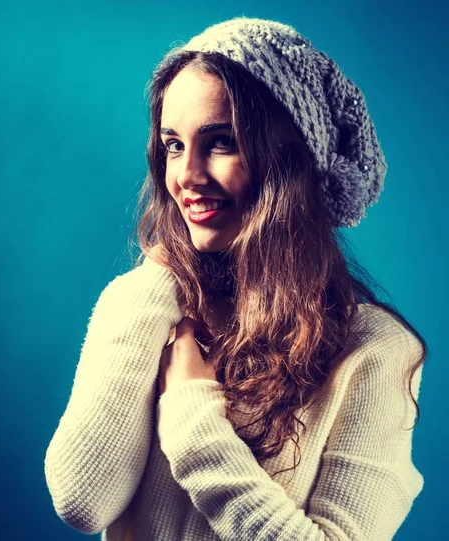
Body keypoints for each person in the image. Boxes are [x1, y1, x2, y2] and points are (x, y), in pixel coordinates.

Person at [44, 17, 428, 541]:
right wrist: (156, 282)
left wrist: (193, 422)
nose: (185, 177)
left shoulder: (377, 351)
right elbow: (82, 500)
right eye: (173, 145)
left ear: (289, 159)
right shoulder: (144, 306)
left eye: (221, 142)